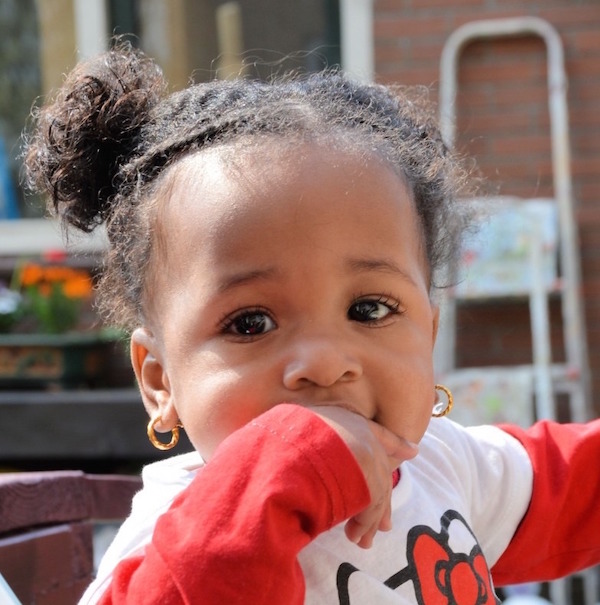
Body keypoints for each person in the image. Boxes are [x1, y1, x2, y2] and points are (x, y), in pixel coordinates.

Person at [23, 42, 600, 605]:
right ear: (160, 382)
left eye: (370, 309)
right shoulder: (171, 539)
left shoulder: (443, 465)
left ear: (428, 332)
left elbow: (575, 484)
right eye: (250, 322)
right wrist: (287, 469)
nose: (325, 361)